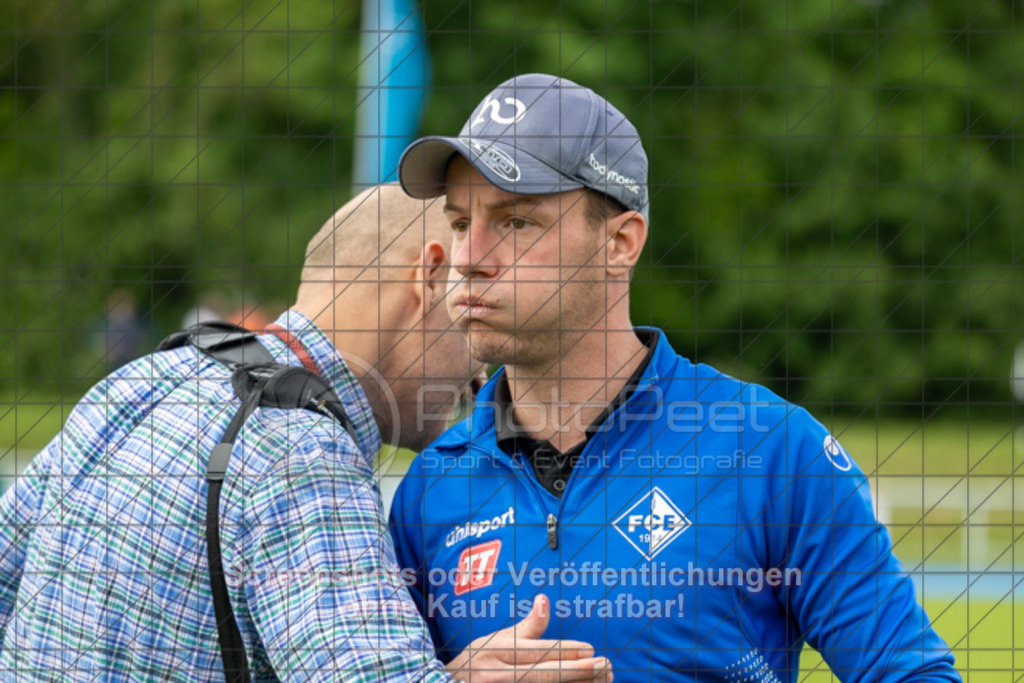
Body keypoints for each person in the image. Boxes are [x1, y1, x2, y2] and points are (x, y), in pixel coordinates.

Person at [390, 74, 962, 681]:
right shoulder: (429, 491)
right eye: (458, 223)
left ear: (620, 242)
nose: (470, 257)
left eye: (515, 223)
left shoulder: (768, 448)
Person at [0, 184, 612, 682]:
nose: (484, 370)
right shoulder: (302, 449)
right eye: (473, 308)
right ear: (429, 279)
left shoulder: (139, 381)